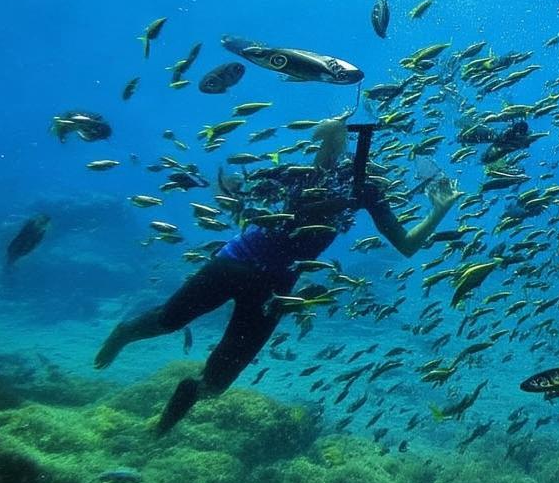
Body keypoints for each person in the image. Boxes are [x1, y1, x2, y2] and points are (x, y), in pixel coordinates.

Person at [93, 118, 461, 433]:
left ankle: (166, 401)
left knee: (199, 357)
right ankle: (132, 346)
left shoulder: (345, 185)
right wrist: (438, 210)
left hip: (262, 279)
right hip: (250, 274)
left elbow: (404, 243)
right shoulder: (325, 180)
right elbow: (406, 245)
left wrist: (438, 209)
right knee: (183, 338)